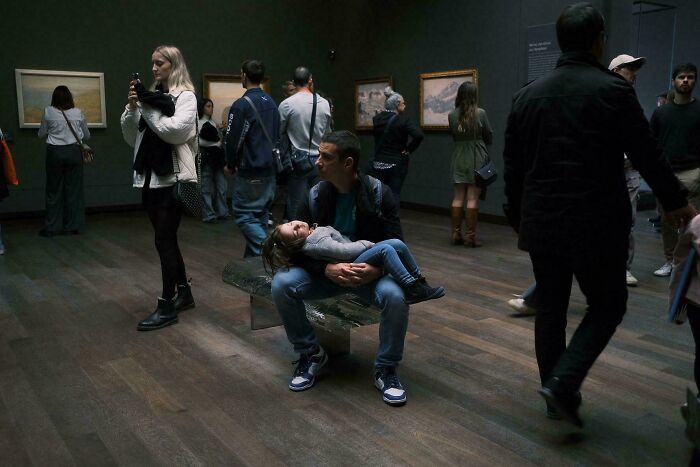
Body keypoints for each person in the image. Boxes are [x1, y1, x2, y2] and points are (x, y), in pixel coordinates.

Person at [503, 2, 695, 427]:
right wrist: (677, 201)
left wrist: (517, 217)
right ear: (598, 40)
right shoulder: (613, 91)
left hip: (543, 222)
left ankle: (555, 392)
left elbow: (514, 169)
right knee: (608, 304)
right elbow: (648, 155)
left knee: (550, 308)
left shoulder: (526, 96)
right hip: (595, 222)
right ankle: (562, 384)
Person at [271, 130, 412, 406]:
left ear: (347, 164)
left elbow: (396, 244)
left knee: (396, 296)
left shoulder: (379, 193)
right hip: (327, 273)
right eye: (319, 155)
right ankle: (310, 353)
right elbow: (294, 250)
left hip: (367, 273)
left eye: (326, 157)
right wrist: (326, 269)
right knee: (282, 283)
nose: (317, 162)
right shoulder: (313, 196)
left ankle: (386, 368)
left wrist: (375, 271)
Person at [120, 44, 197, 331]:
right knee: (167, 240)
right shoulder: (151, 98)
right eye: (152, 63)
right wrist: (131, 109)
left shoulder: (185, 96)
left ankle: (167, 305)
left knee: (163, 241)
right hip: (150, 179)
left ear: (173, 65)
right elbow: (131, 138)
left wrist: (147, 107)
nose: (154, 69)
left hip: (173, 181)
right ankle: (184, 293)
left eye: (160, 63)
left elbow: (175, 131)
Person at [263, 221, 445, 304]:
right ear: (297, 243)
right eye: (294, 232)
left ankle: (419, 282)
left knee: (397, 243)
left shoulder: (313, 234)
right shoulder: (315, 242)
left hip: (358, 257)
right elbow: (343, 252)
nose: (296, 226)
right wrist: (369, 245)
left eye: (291, 224)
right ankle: (411, 285)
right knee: (386, 249)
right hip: (353, 259)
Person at [224, 59, 280, 257]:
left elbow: (233, 140)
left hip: (250, 170)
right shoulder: (272, 103)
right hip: (270, 170)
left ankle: (273, 254)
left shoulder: (241, 105)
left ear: (244, 76)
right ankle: (253, 266)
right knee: (260, 216)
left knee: (244, 215)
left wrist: (230, 164)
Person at [651, 63, 700, 277]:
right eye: (682, 77)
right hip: (667, 173)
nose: (686, 80)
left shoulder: (699, 110)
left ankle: (687, 262)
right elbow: (652, 143)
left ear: (695, 81)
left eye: (690, 77)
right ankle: (670, 260)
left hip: (693, 171)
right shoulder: (662, 113)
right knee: (667, 220)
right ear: (674, 81)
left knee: (692, 220)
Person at [609, 53, 647, 286]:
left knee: (628, 220)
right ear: (616, 71)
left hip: (629, 168)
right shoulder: (602, 96)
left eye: (635, 69)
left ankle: (623, 268)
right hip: (606, 169)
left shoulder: (632, 99)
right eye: (629, 68)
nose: (634, 73)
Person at [279, 66, 332, 220]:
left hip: (296, 160)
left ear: (294, 83)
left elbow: (279, 132)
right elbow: (327, 133)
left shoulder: (287, 104)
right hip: (319, 158)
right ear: (310, 81)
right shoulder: (323, 103)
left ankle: (295, 240)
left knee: (296, 203)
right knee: (318, 202)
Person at [37, 85, 90, 237]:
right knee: (73, 191)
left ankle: (52, 227)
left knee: (53, 191)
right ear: (69, 98)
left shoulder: (48, 111)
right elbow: (86, 136)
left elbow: (41, 133)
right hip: (74, 152)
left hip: (54, 152)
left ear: (54, 98)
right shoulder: (78, 112)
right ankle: (72, 226)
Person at [447, 82, 493, 247]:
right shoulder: (480, 113)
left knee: (458, 197)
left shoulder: (452, 115)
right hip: (477, 157)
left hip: (459, 157)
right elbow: (489, 135)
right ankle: (470, 237)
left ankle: (455, 234)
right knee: (472, 198)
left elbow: (453, 135)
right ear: (474, 95)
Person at [370, 87, 424, 204]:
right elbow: (418, 135)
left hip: (379, 162)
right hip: (397, 163)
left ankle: (378, 220)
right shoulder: (402, 121)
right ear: (397, 104)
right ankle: (392, 220)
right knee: (394, 192)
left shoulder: (376, 119)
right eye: (403, 103)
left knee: (378, 193)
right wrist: (409, 149)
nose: (405, 105)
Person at [198, 98, 229, 223]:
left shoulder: (212, 122)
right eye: (208, 106)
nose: (211, 108)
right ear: (202, 108)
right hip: (206, 158)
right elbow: (197, 141)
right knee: (206, 188)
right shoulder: (199, 122)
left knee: (222, 187)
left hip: (217, 159)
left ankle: (222, 212)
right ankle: (209, 214)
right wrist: (216, 143)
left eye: (211, 106)